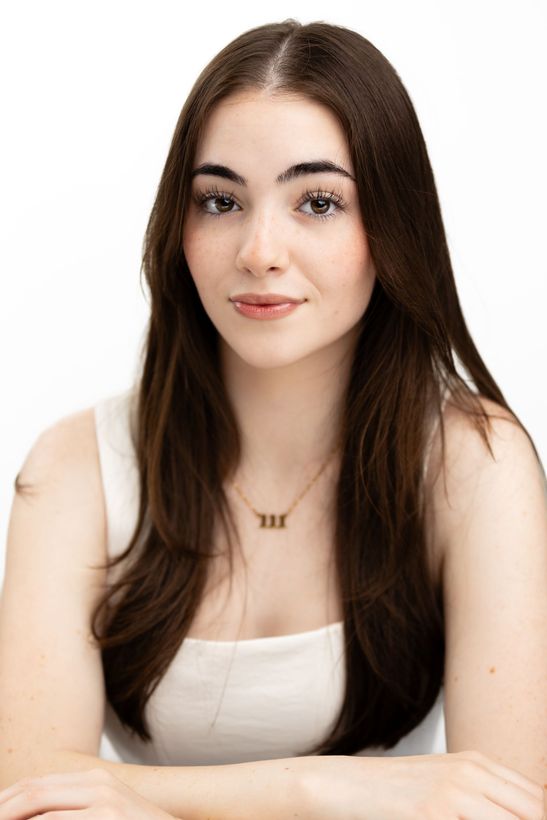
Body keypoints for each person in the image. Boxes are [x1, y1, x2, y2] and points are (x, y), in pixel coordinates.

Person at [0, 17, 545, 820]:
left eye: (317, 202)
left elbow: (508, 803)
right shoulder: (77, 468)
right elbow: (31, 797)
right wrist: (316, 784)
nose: (259, 249)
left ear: (392, 226)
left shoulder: (472, 463)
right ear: (178, 231)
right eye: (219, 200)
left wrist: (133, 792)